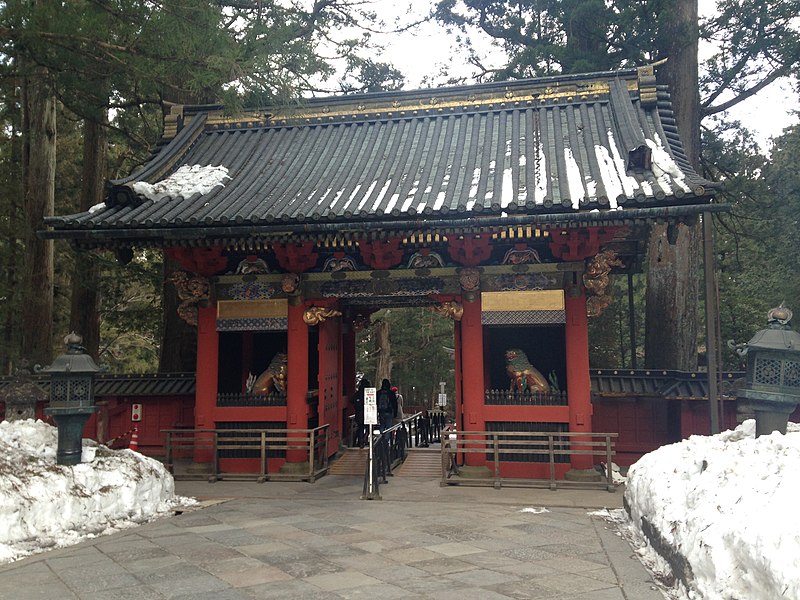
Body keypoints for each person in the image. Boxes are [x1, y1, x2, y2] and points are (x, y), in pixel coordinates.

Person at [352, 378, 370, 448]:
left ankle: (360, 442)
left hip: (358, 413)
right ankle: (365, 440)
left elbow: (352, 400)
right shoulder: (368, 393)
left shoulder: (357, 393)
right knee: (368, 428)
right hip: (367, 413)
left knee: (360, 428)